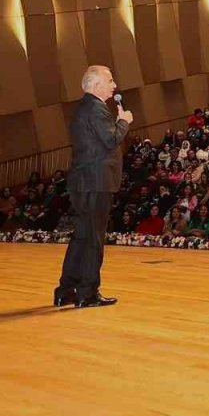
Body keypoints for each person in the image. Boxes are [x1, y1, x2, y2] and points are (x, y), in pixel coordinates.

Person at [56, 65, 131, 309]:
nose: (114, 85)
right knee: (93, 240)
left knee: (81, 238)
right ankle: (87, 293)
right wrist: (123, 121)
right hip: (95, 182)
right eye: (110, 80)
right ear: (96, 84)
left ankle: (66, 290)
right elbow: (110, 138)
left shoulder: (83, 108)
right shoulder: (97, 109)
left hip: (84, 182)